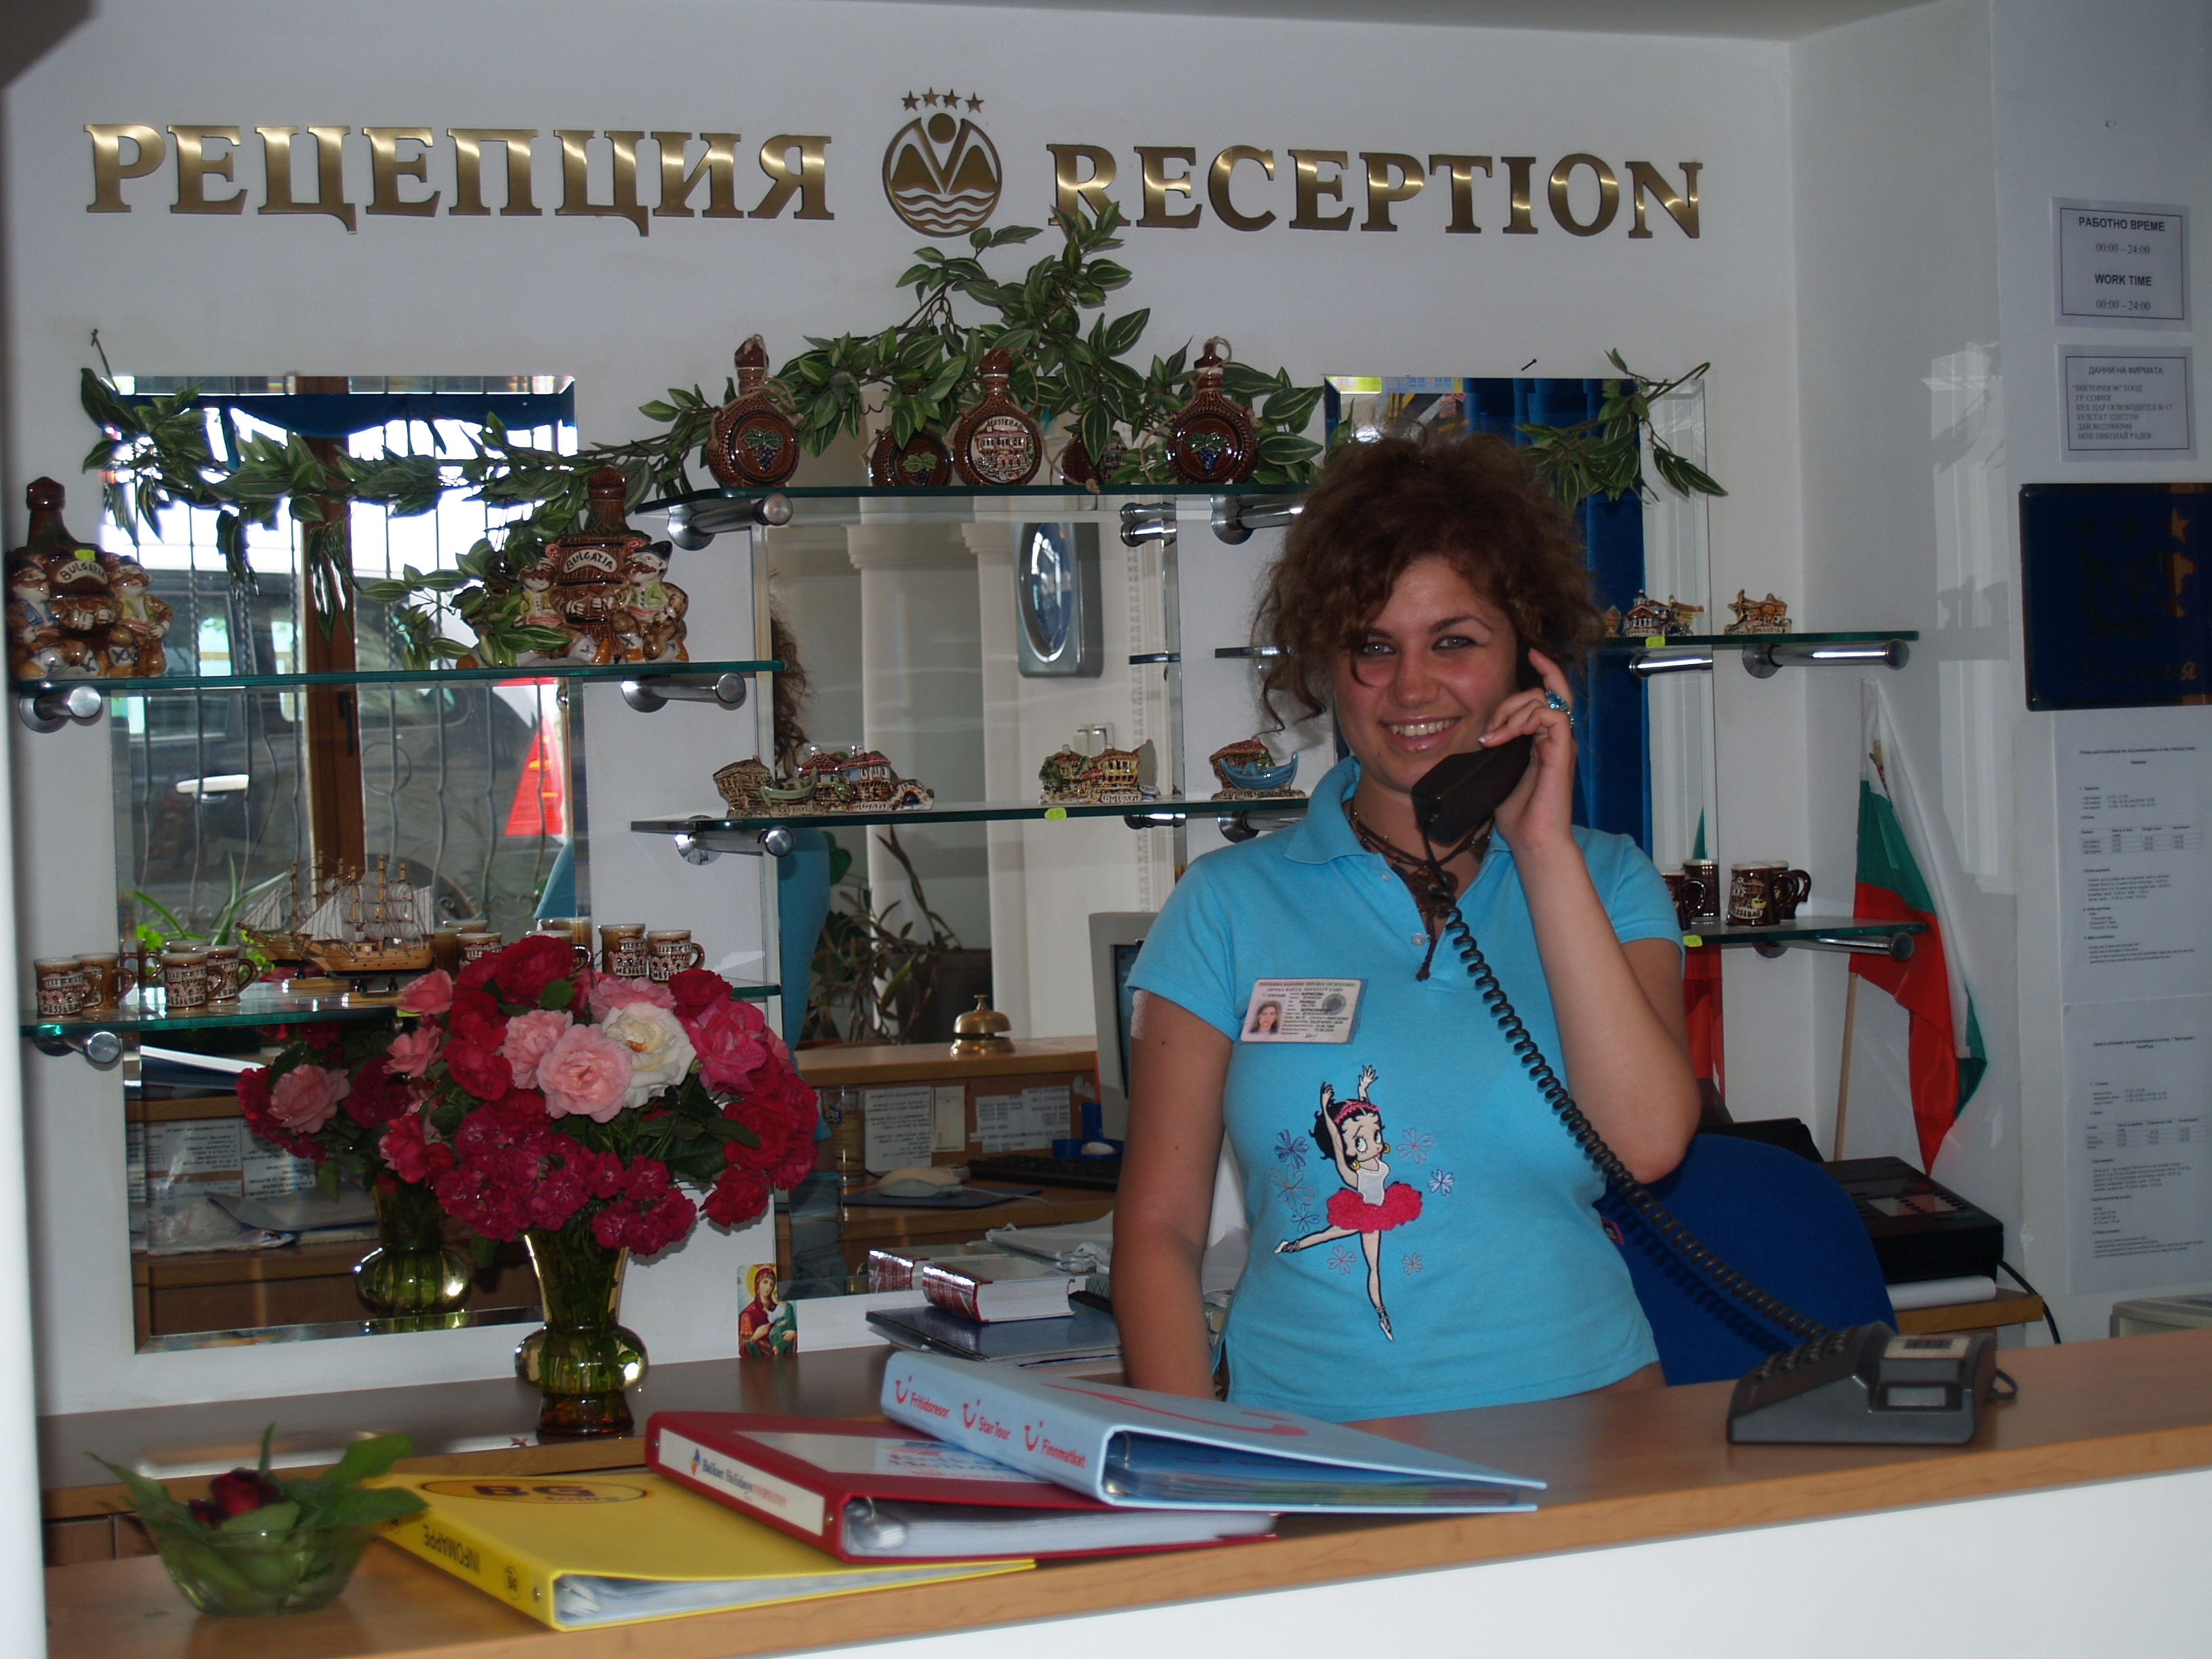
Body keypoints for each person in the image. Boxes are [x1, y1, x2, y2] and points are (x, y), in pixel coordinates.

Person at [1115, 430, 1700, 1422]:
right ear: (1328, 665)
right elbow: (1159, 1232)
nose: (1412, 688)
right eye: (1374, 647)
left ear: (1529, 659)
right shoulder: (1226, 904)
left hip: (1594, 1423)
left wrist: (1542, 850)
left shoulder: (1607, 880)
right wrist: (1193, 1463)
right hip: (1309, 1437)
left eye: (1455, 642)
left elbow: (1643, 1145)